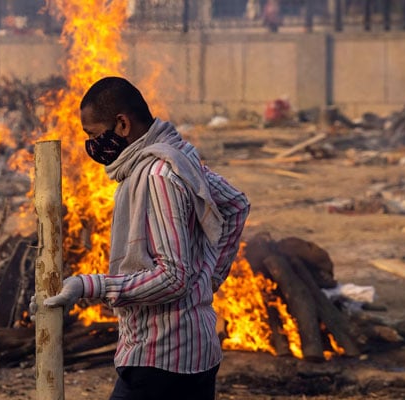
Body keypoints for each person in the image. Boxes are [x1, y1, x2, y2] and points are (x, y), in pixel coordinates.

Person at [40, 77, 250, 400]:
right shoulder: (179, 156)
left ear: (122, 124)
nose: (93, 147)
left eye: (94, 135)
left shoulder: (156, 177)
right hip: (197, 352)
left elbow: (174, 277)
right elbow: (235, 204)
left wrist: (89, 286)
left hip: (161, 356)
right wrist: (208, 276)